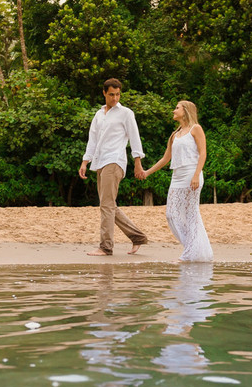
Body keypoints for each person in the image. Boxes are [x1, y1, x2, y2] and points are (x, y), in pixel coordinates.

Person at [79, 78, 148, 256]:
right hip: (100, 162)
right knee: (108, 205)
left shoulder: (126, 113)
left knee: (107, 205)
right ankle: (137, 236)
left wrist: (137, 163)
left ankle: (106, 247)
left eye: (118, 94)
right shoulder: (99, 114)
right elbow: (92, 140)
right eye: (111, 95)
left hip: (115, 160)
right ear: (104, 93)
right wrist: (85, 161)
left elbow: (135, 138)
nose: (115, 98)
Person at [142, 100, 213, 262]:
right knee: (171, 214)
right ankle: (194, 249)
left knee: (191, 214)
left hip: (191, 174)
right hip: (177, 177)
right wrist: (147, 172)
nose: (174, 111)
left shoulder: (196, 129)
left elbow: (203, 154)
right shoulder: (174, 134)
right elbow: (166, 158)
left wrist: (196, 175)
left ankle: (190, 253)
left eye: (177, 108)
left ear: (186, 111)